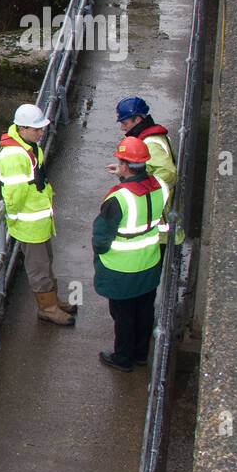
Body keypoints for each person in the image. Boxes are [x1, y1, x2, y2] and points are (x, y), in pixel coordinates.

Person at [0, 102, 75, 326]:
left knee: (46, 262)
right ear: (21, 128)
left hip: (38, 221)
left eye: (41, 128)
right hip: (29, 224)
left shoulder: (29, 146)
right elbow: (14, 195)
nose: (41, 133)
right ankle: (47, 308)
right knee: (38, 268)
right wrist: (15, 217)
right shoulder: (14, 156)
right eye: (36, 129)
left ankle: (52, 300)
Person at [93, 137, 165, 371]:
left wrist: (101, 252)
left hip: (122, 269)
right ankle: (141, 354)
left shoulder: (118, 198)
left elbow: (101, 237)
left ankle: (123, 358)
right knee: (145, 310)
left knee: (123, 315)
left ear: (125, 166)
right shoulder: (159, 187)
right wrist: (123, 177)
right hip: (150, 262)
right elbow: (142, 191)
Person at [106, 95, 182, 245]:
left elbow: (170, 174)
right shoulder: (149, 138)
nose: (122, 127)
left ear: (137, 120)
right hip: (157, 216)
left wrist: (139, 184)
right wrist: (124, 170)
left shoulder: (150, 144)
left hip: (160, 224)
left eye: (125, 123)